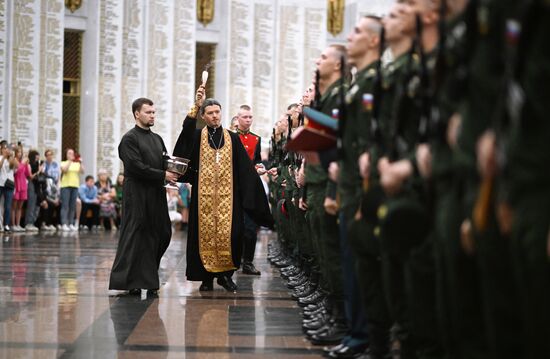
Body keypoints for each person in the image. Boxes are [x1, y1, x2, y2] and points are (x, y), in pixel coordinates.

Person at [173, 85, 273, 292]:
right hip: (203, 199)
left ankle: (225, 276)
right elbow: (183, 141)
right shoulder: (198, 137)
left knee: (232, 235)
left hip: (229, 199)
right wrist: (195, 107)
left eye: (217, 112)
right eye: (210, 113)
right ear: (203, 116)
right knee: (204, 236)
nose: (215, 116)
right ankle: (206, 278)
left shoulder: (232, 138)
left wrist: (254, 182)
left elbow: (244, 169)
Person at [109, 97, 177, 295]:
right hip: (137, 193)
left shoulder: (157, 139)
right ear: (137, 114)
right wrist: (163, 174)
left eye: (154, 112)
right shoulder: (129, 139)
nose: (152, 115)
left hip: (155, 192)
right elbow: (135, 167)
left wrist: (172, 171)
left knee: (162, 232)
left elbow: (163, 161)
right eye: (148, 112)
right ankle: (131, 281)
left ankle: (146, 275)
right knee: (136, 235)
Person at [235, 104, 264, 275]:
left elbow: (257, 161)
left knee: (251, 227)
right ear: (237, 118)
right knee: (235, 226)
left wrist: (259, 167)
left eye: (250, 117)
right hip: (234, 187)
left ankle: (248, 262)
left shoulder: (256, 139)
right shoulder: (231, 137)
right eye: (245, 117)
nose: (248, 120)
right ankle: (234, 260)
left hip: (250, 188)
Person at [60, 148, 84, 231]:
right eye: (69, 153)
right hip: (65, 186)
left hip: (75, 186)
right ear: (66, 154)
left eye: (72, 153)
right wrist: (70, 161)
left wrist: (80, 162)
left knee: (72, 206)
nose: (71, 155)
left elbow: (82, 171)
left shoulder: (76, 164)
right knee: (65, 206)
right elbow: (65, 170)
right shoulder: (63, 163)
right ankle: (64, 223)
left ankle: (71, 223)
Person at [11, 146, 30, 232]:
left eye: (21, 152)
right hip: (16, 183)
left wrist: (27, 165)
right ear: (15, 153)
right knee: (14, 206)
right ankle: (13, 224)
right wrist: (22, 163)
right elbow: (17, 171)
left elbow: (26, 174)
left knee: (20, 207)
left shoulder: (22, 161)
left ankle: (18, 224)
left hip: (23, 184)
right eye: (18, 152)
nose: (20, 154)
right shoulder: (14, 160)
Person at [0, 144, 17, 232]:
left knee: (8, 205)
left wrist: (12, 156)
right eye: (4, 149)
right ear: (1, 150)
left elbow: (16, 166)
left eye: (7, 149)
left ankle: (6, 224)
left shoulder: (11, 159)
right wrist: (3, 157)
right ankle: (0, 225)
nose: (6, 150)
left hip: (9, 184)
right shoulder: (0, 157)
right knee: (0, 206)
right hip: (0, 184)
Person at [24, 150, 41, 231]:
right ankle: (28, 223)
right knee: (31, 204)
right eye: (36, 157)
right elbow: (31, 176)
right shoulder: (29, 164)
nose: (37, 159)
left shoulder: (37, 164)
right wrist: (38, 172)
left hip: (37, 185)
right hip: (31, 184)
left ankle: (32, 222)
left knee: (35, 204)